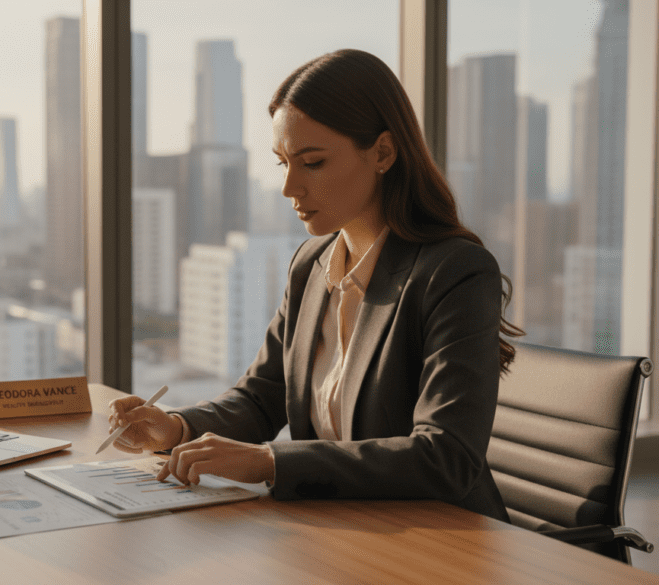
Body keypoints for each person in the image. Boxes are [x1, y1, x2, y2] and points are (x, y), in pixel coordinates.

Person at [107, 49, 522, 523]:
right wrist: (176, 428)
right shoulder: (312, 263)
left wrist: (270, 462)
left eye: (313, 162)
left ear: (383, 152)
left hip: (440, 540)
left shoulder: (455, 273)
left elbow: (445, 457)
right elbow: (261, 397)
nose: (289, 187)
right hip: (340, 529)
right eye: (283, 163)